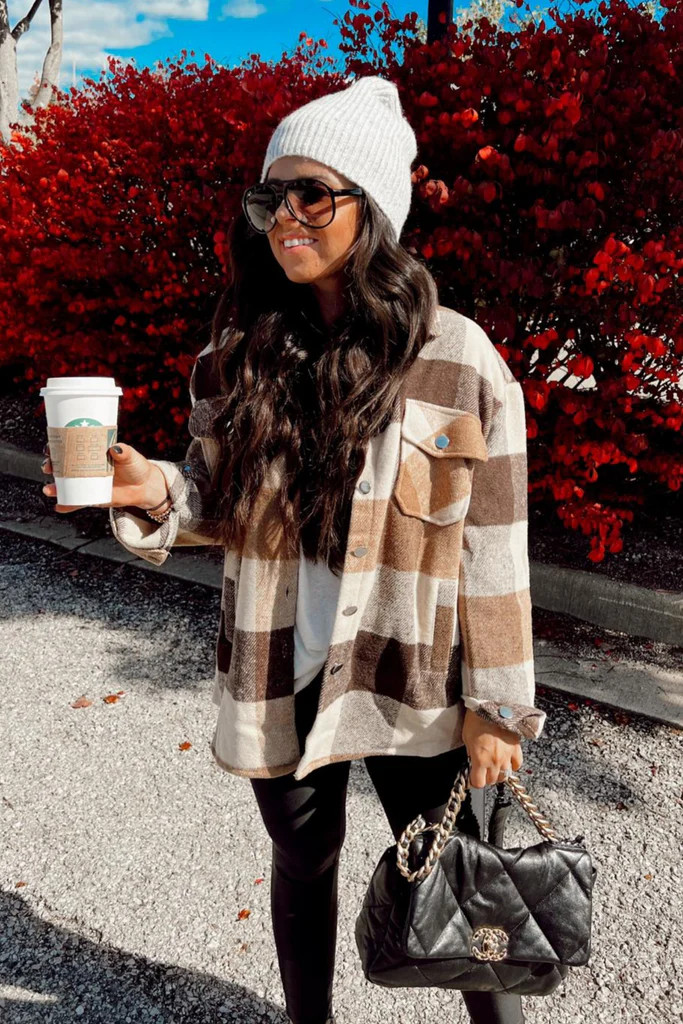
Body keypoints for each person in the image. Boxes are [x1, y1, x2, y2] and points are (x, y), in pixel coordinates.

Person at [42, 76, 546, 1024]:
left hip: (413, 674)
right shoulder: (238, 355)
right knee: (302, 862)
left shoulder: (458, 358)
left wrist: (498, 708)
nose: (284, 217)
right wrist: (153, 488)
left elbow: (494, 550)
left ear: (373, 209)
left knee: (457, 883)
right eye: (272, 196)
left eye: (313, 194)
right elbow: (217, 500)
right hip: (283, 666)